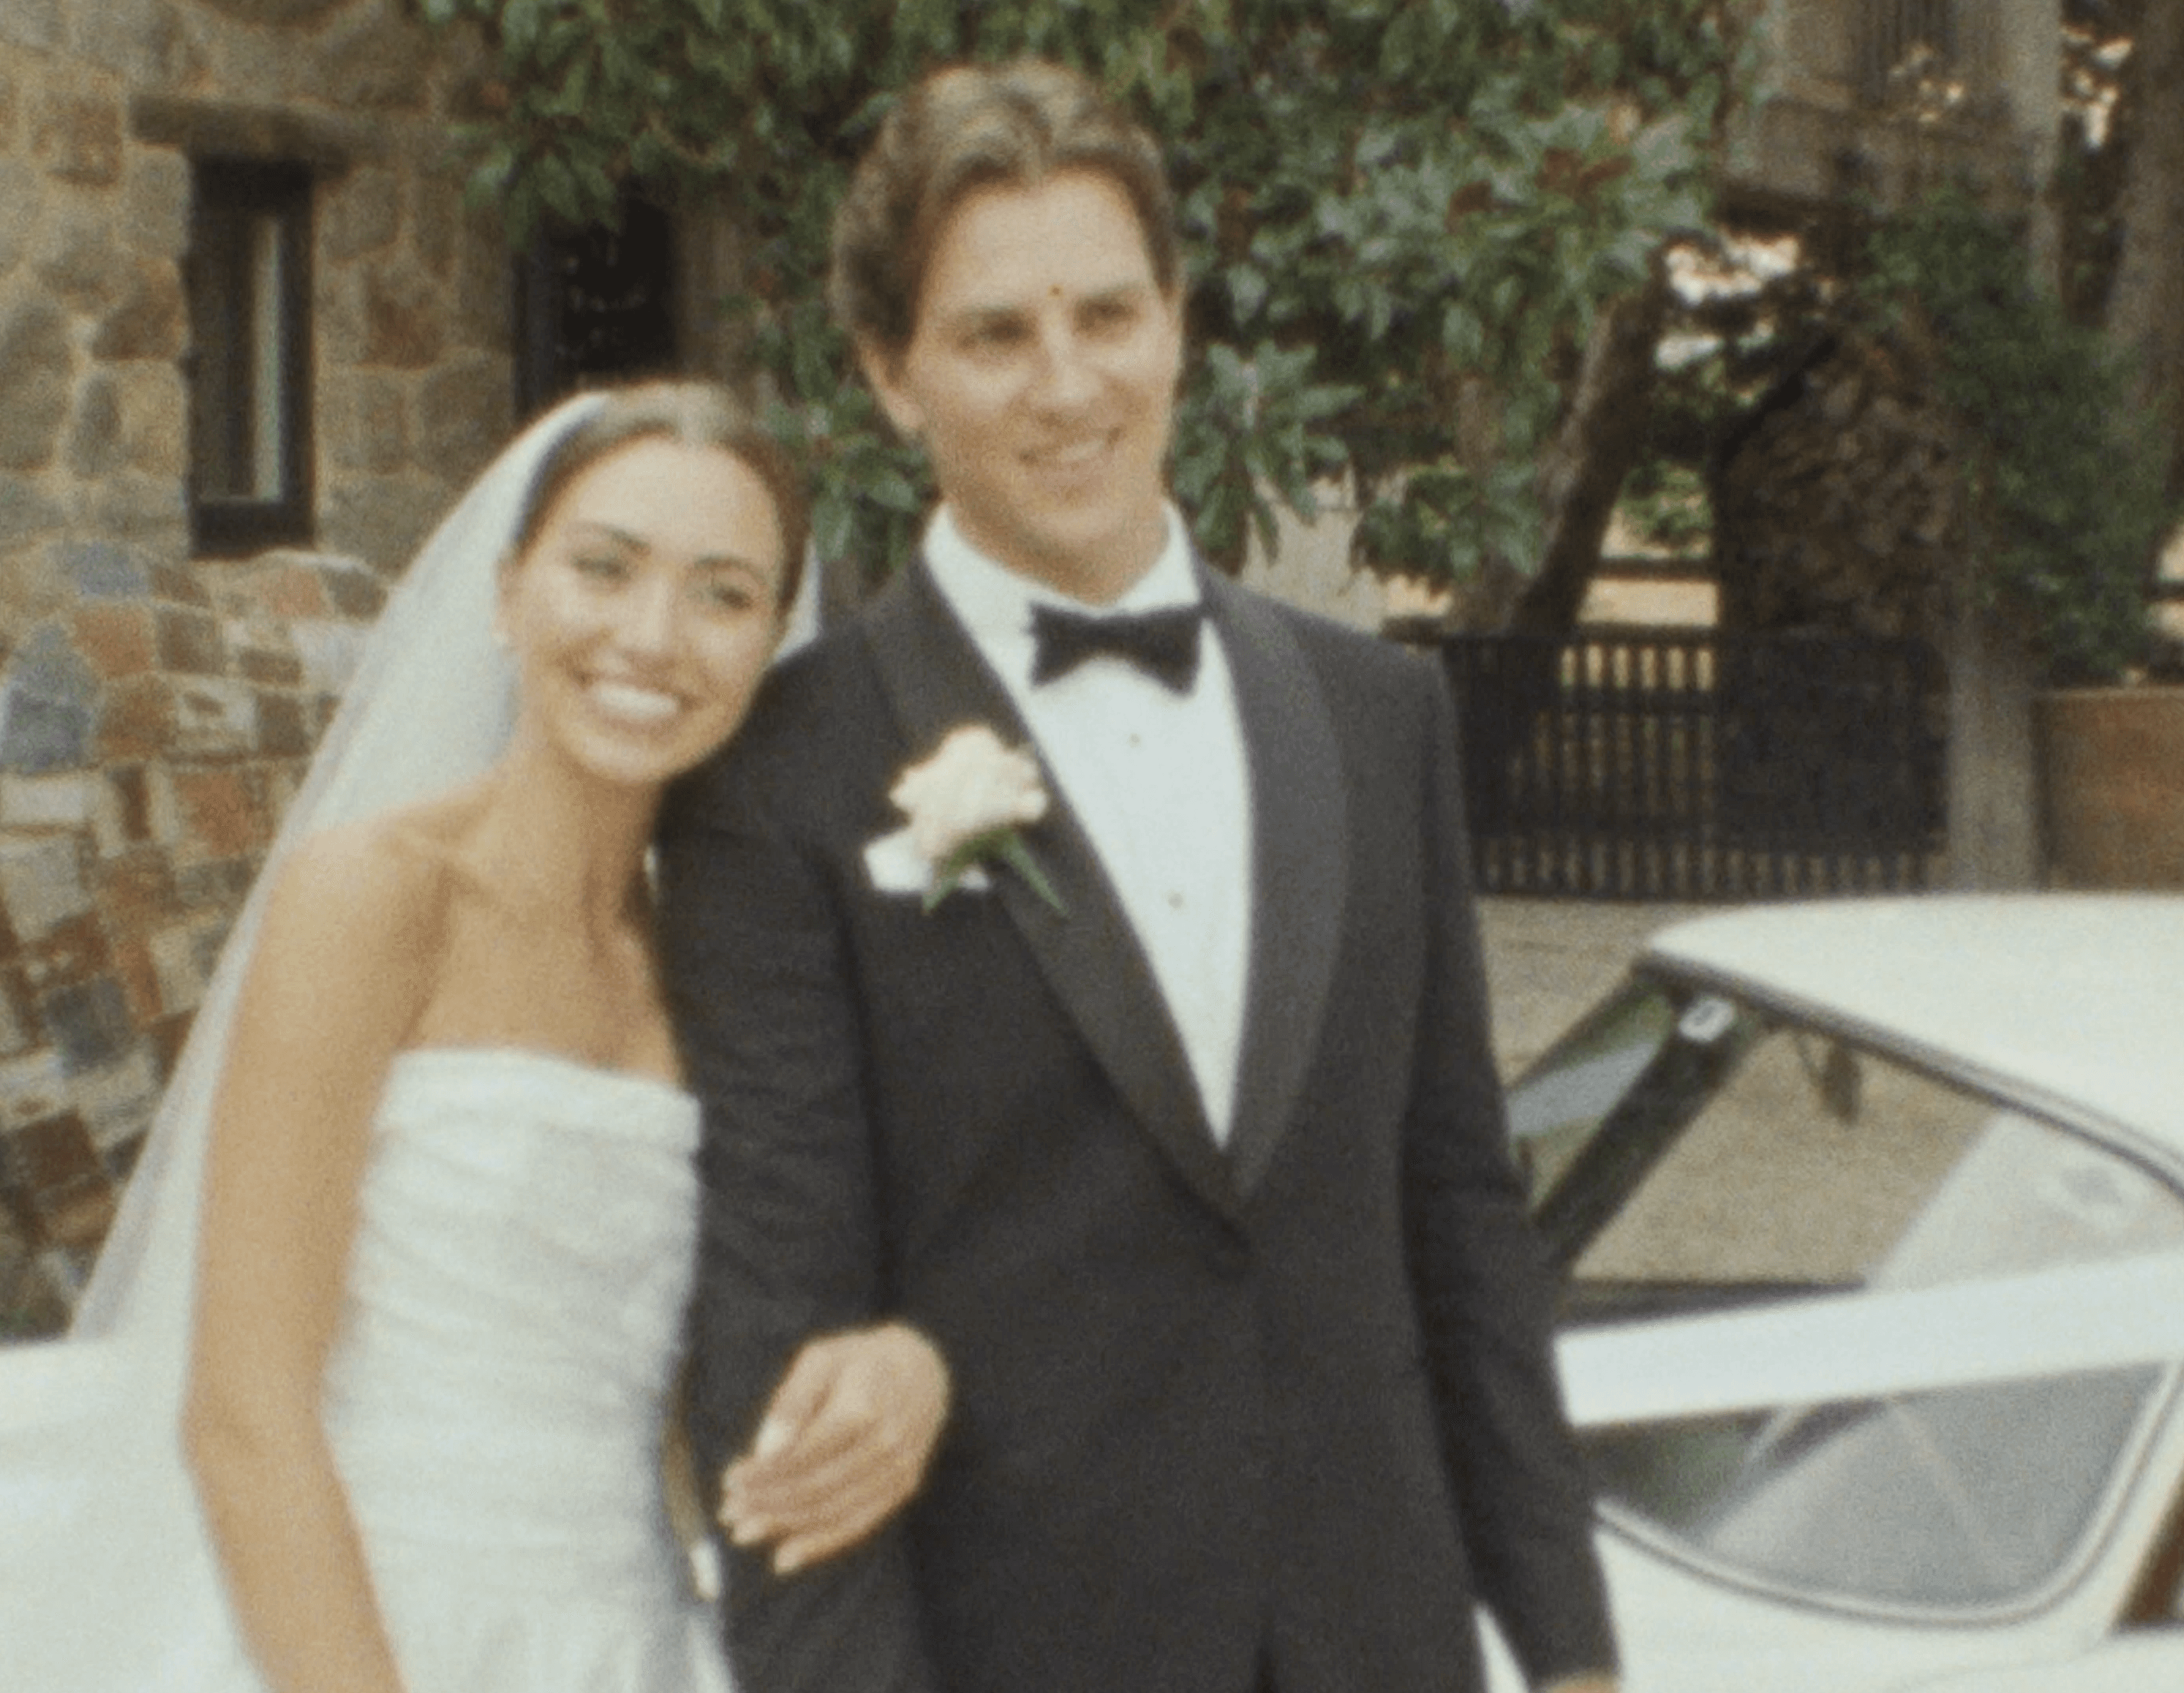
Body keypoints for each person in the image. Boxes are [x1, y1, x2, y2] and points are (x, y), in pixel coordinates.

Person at [0, 384, 945, 1693]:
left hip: (622, 1632)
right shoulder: (373, 897)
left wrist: (895, 1367)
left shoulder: (718, 957)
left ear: (772, 646)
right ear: (509, 591)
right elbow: (242, 1409)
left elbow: (697, 1378)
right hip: (342, 1616)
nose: (650, 635)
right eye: (605, 566)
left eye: (723, 596)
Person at [659, 62, 1622, 1693]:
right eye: (991, 336)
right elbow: (785, 1351)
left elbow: (1457, 1212)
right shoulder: (778, 777)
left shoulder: (1376, 717)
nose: (1066, 384)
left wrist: (1568, 1652)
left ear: (1178, 324)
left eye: (1107, 315)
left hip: (1375, 1638)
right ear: (891, 376)